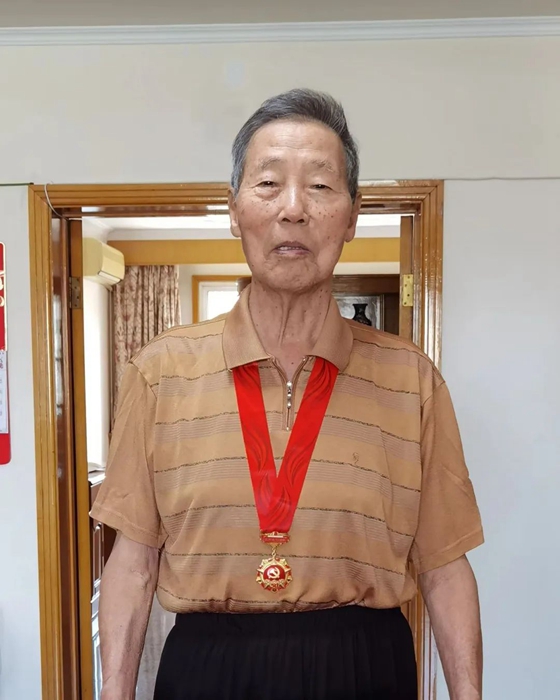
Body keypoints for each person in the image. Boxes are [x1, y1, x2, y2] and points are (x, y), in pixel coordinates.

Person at [92, 88, 483, 700]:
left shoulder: (411, 380)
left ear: (352, 217)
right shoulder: (160, 372)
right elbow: (133, 563)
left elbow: (445, 566)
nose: (294, 209)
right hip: (207, 669)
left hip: (365, 667)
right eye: (269, 184)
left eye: (321, 186)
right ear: (234, 211)